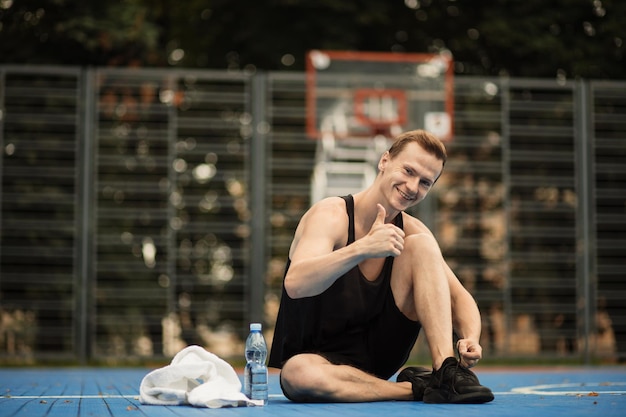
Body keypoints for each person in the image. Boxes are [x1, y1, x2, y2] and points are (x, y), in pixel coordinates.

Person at [268, 129, 494, 404]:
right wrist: (362, 248)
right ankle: (418, 389)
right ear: (384, 161)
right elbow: (296, 283)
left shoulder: (413, 232)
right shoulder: (330, 215)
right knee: (297, 375)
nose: (413, 187)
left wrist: (471, 338)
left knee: (422, 245)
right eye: (408, 171)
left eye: (425, 182)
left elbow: (460, 298)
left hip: (378, 356)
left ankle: (445, 371)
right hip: (316, 359)